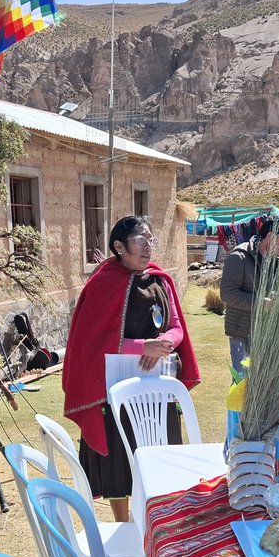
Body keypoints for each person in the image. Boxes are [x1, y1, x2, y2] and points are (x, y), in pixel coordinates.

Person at [62, 216, 200, 522]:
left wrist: (166, 340)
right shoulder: (103, 283)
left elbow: (177, 325)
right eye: (141, 240)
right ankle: (124, 525)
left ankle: (156, 519)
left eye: (151, 239)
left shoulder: (160, 280)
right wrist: (143, 347)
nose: (148, 247)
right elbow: (93, 341)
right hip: (115, 394)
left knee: (161, 455)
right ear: (119, 247)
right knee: (119, 462)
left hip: (158, 389)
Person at [220, 215, 279, 377]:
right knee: (242, 384)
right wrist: (260, 303)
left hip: (268, 334)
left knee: (266, 382)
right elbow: (227, 293)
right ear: (271, 236)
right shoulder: (239, 257)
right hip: (243, 334)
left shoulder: (278, 261)